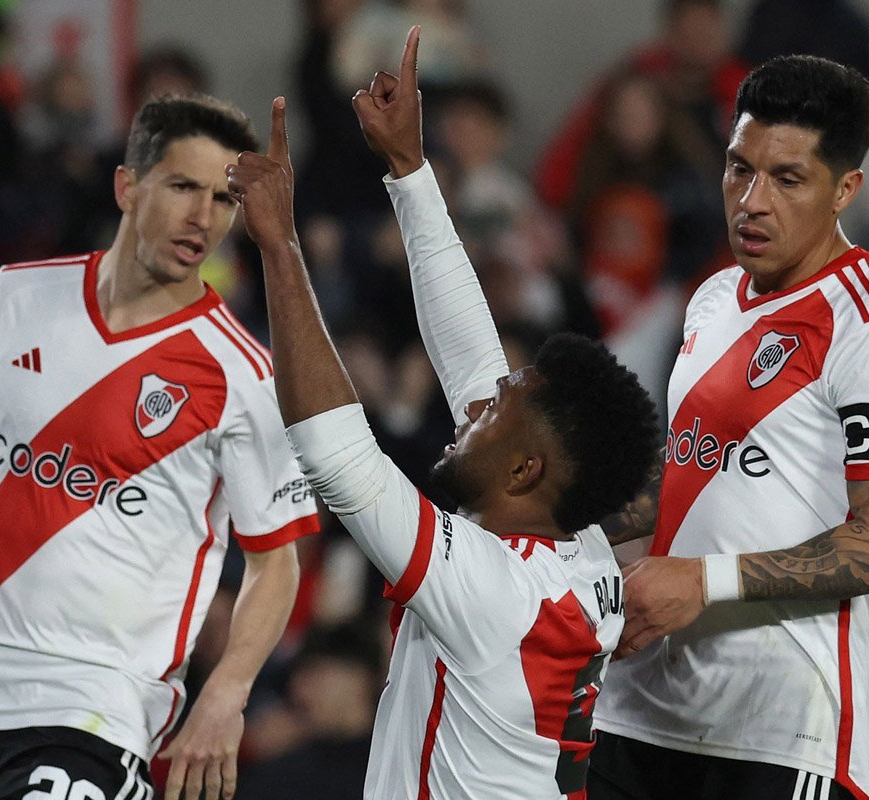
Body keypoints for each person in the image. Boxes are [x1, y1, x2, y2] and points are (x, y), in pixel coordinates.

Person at [0, 93, 320, 800]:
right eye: (183, 187)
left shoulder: (241, 374)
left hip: (99, 704)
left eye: (222, 199)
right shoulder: (15, 297)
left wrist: (226, 694)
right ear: (127, 185)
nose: (203, 218)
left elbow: (277, 566)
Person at [225, 27, 660, 799]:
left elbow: (339, 456)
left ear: (527, 469)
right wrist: (410, 169)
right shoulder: (579, 550)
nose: (477, 400)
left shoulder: (488, 584)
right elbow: (472, 353)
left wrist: (281, 248)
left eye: (497, 410)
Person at [588, 55, 869, 800]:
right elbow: (692, 468)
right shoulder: (716, 297)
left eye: (787, 179)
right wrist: (551, 527)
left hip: (780, 730)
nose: (751, 202)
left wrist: (704, 580)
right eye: (738, 169)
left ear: (845, 188)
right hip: (639, 709)